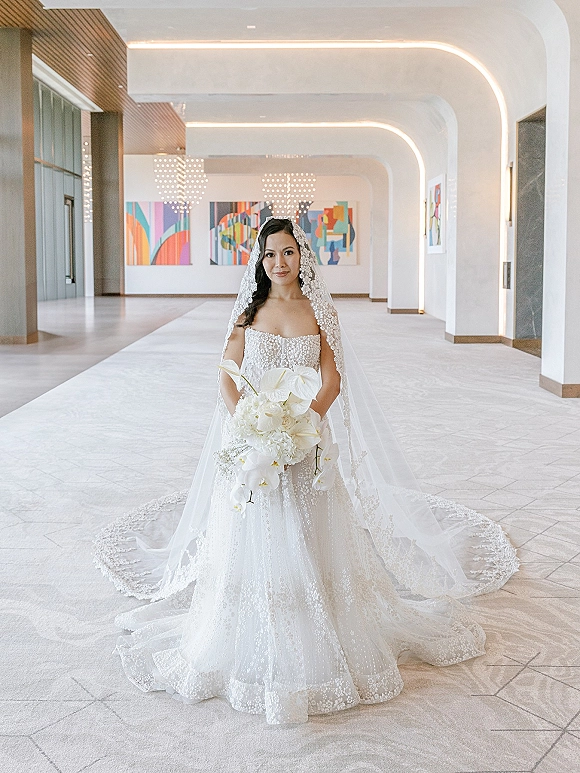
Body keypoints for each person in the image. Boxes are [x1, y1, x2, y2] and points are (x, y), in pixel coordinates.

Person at [94, 218, 519, 725]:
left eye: (288, 252)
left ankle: (319, 622)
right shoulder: (249, 311)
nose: (280, 262)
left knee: (311, 527)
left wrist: (305, 423)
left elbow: (333, 377)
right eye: (271, 254)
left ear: (302, 257)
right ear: (260, 260)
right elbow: (227, 375)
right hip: (252, 440)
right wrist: (250, 425)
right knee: (258, 528)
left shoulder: (320, 310)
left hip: (306, 436)